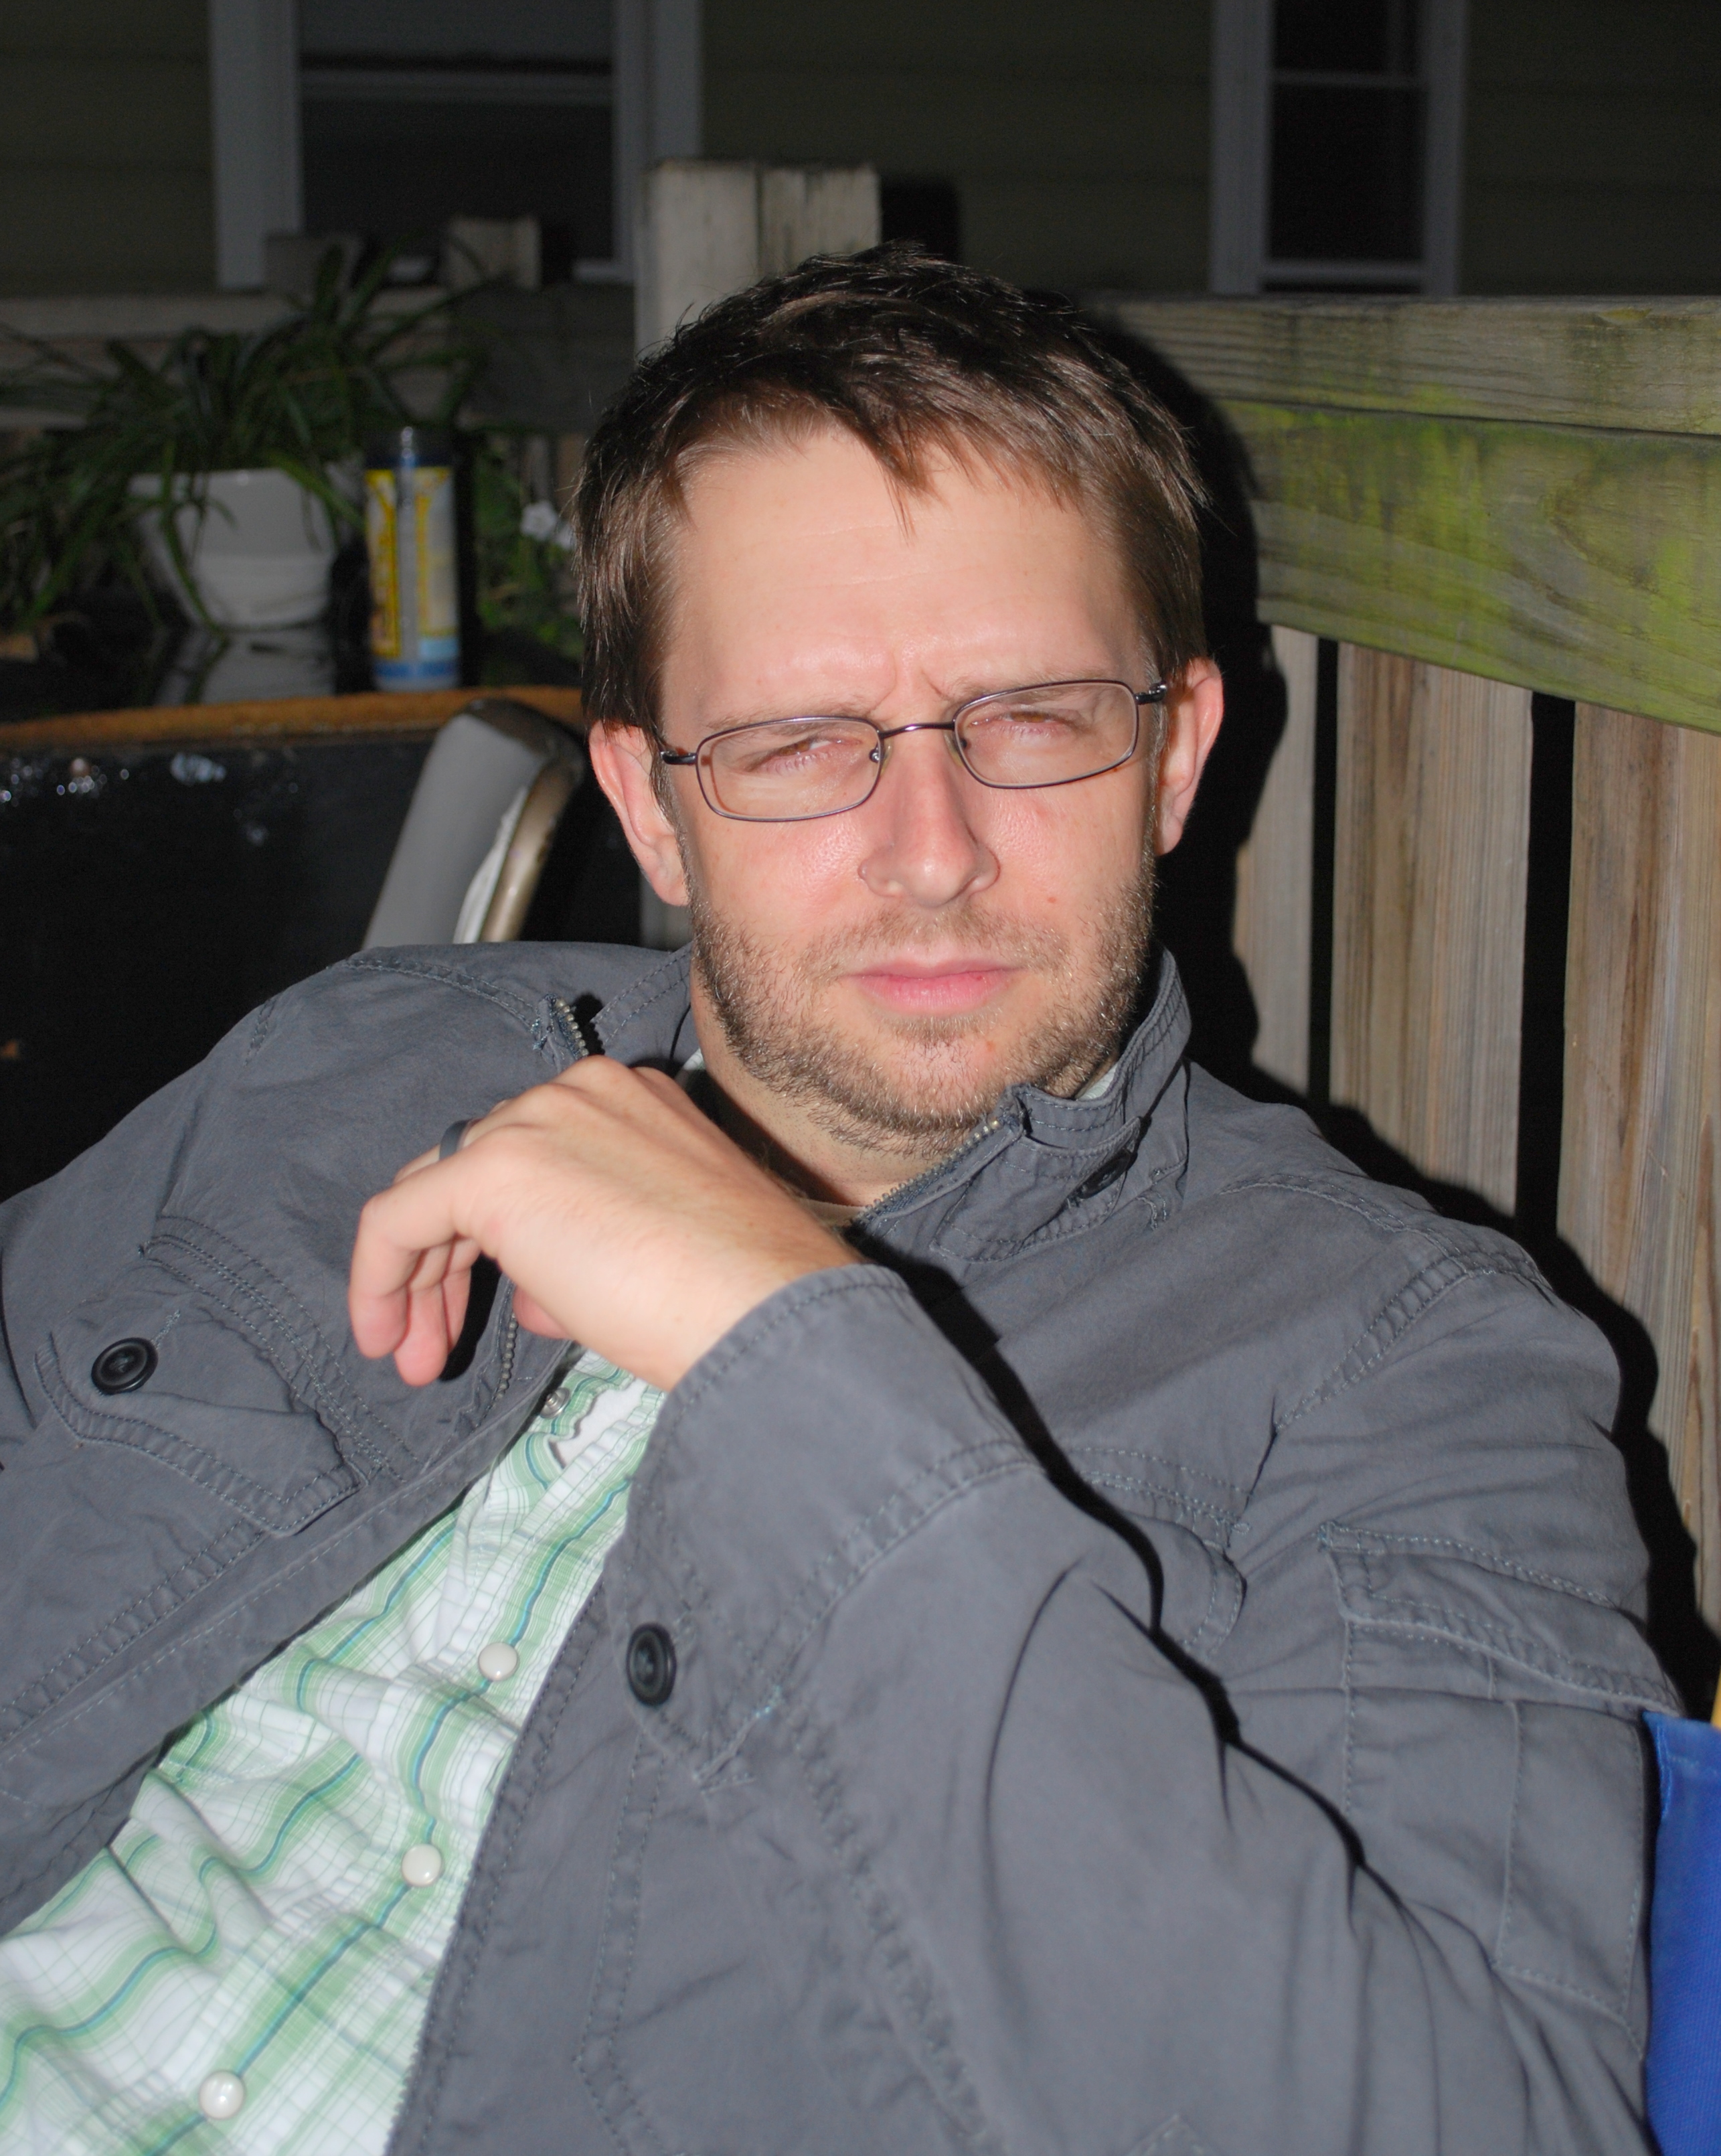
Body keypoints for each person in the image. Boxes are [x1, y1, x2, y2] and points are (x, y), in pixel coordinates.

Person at [0, 247, 1675, 2156]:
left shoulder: (1415, 1364)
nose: (931, 853)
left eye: (1031, 717)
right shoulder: (358, 1058)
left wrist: (781, 1349)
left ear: (1175, 756)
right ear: (649, 804)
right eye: (798, 745)